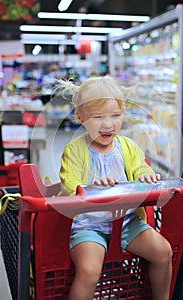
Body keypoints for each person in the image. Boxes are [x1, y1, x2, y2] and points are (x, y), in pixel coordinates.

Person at [57, 76, 172, 300]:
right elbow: (68, 183)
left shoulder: (128, 147)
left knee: (163, 252)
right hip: (89, 225)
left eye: (115, 116)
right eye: (98, 117)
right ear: (80, 117)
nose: (108, 124)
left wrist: (146, 176)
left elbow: (140, 167)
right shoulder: (74, 150)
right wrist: (89, 188)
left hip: (128, 221)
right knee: (89, 270)